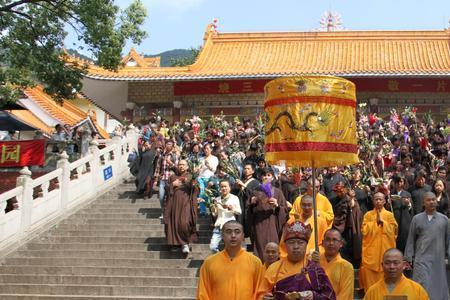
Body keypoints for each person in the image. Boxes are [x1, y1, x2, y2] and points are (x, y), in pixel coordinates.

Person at [260, 220, 336, 300]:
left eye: (300, 243)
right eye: (291, 242)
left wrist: (313, 296)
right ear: (285, 245)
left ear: (306, 245)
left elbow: (330, 297)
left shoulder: (315, 270)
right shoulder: (274, 268)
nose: (296, 246)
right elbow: (260, 295)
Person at [197, 220, 265, 300]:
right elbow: (203, 294)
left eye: (237, 232)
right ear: (222, 235)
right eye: (228, 232)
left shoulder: (255, 262)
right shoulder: (209, 262)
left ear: (243, 236)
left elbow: (260, 292)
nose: (233, 235)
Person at [404, 192, 450, 300]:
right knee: (421, 284)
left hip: (438, 259)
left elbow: (448, 240)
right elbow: (410, 239)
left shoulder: (444, 220)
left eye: (434, 200)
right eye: (428, 200)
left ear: (437, 202)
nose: (431, 202)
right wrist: (408, 257)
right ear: (423, 202)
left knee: (438, 286)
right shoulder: (416, 218)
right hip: (421, 259)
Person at [359, 192, 398, 292]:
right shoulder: (368, 215)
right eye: (376, 199)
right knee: (371, 288)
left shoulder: (389, 215)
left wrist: (383, 223)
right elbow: (364, 230)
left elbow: (394, 231)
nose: (378, 201)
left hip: (385, 252)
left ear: (384, 201)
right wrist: (375, 223)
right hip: (371, 254)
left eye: (380, 199)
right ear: (373, 201)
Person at [247, 168, 288, 260]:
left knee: (273, 247)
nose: (266, 177)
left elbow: (284, 210)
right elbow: (249, 210)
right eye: (264, 175)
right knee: (260, 248)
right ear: (261, 177)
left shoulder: (277, 192)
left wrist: (277, 206)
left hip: (273, 223)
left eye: (269, 175)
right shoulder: (255, 191)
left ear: (272, 178)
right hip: (259, 224)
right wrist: (251, 203)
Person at [364, 248, 430, 300]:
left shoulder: (417, 290)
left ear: (404, 265)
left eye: (396, 263)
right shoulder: (372, 291)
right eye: (387, 263)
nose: (392, 267)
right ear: (382, 265)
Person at [163, 160, 198, 254]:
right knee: (173, 223)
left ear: (187, 167)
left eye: (183, 164)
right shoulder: (172, 177)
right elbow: (166, 189)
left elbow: (195, 189)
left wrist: (191, 181)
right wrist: (172, 185)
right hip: (173, 203)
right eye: (179, 164)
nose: (181, 166)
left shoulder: (189, 176)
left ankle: (185, 243)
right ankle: (176, 243)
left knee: (184, 223)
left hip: (186, 203)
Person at [317, 229, 354, 300]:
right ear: (322, 243)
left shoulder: (346, 267)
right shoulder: (315, 262)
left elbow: (345, 295)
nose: (331, 243)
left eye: (334, 240)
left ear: (341, 244)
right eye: (328, 240)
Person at [209, 179, 242, 252]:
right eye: (222, 187)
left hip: (230, 226)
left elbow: (239, 212)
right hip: (219, 225)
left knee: (230, 248)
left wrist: (232, 209)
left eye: (225, 186)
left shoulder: (234, 198)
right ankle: (219, 258)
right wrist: (212, 208)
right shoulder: (217, 199)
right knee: (213, 247)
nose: (224, 188)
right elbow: (215, 214)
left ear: (230, 187)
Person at [154, 140, 179, 218]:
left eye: (170, 144)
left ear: (172, 146)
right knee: (161, 196)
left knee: (170, 197)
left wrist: (171, 163)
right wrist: (155, 180)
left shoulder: (175, 155)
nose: (168, 145)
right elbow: (158, 168)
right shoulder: (162, 155)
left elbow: (178, 168)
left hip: (171, 179)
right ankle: (163, 211)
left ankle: (168, 213)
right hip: (162, 179)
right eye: (167, 144)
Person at [235, 163, 260, 237]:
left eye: (248, 169)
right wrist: (237, 187)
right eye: (245, 168)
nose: (246, 170)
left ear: (253, 171)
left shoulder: (255, 182)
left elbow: (254, 194)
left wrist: (243, 186)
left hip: (248, 205)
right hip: (240, 203)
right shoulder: (240, 180)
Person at [390, 174, 413, 252]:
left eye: (401, 182)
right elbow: (387, 208)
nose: (399, 183)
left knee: (404, 238)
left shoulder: (407, 194)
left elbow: (411, 209)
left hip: (404, 219)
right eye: (397, 182)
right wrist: (388, 202)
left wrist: (408, 204)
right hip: (394, 218)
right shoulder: (390, 193)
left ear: (404, 183)